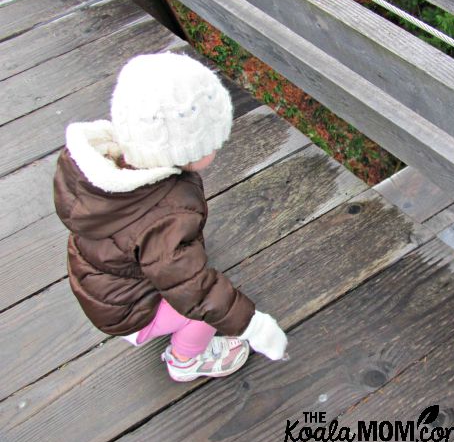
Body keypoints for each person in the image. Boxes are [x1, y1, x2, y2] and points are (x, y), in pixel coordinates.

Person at [53, 52, 287, 382]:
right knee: (206, 315)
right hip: (128, 310)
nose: (217, 146)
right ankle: (185, 361)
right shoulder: (165, 213)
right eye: (209, 142)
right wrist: (253, 325)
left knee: (180, 276)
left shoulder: (105, 171)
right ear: (178, 150)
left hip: (102, 284)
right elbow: (197, 292)